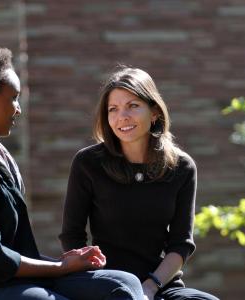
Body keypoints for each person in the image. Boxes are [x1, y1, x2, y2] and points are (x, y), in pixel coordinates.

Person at [0, 45, 144, 300]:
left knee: (122, 284)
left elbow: (11, 251)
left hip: (4, 282)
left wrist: (63, 262)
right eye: (13, 98)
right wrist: (60, 267)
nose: (18, 109)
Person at [59, 67, 218, 300]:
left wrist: (150, 287)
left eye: (133, 106)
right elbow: (72, 236)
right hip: (105, 279)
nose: (122, 116)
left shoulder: (182, 167)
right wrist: (94, 277)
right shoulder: (88, 163)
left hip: (158, 282)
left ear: (154, 112)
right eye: (113, 109)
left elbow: (180, 245)